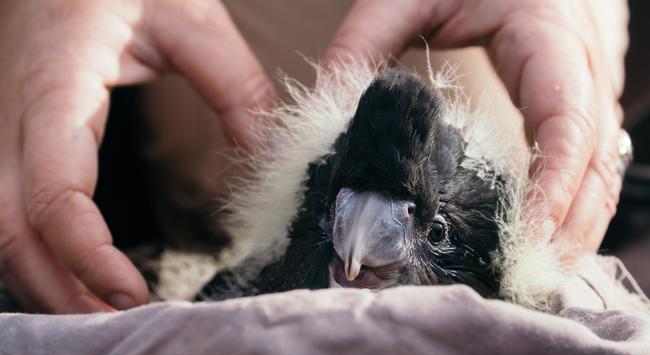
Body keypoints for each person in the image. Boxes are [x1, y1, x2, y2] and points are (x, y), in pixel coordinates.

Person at [0, 0, 629, 313]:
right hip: (174, 242)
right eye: (339, 212)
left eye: (430, 232)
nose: (355, 251)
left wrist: (581, 16)